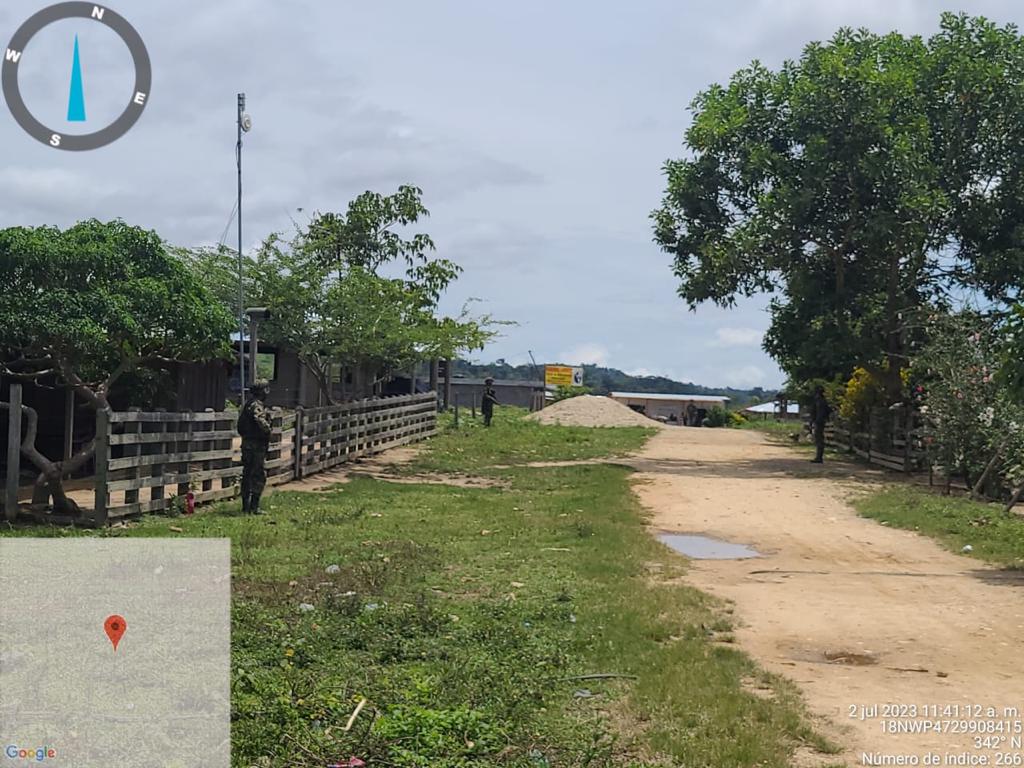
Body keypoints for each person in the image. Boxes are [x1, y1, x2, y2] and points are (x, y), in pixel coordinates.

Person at [238, 379, 272, 514]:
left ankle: (246, 506)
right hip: (256, 445)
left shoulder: (248, 404)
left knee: (247, 474)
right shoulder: (256, 405)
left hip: (247, 444)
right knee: (258, 475)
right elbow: (258, 419)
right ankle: (254, 507)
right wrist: (267, 430)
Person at [810, 386, 831, 464]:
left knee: (819, 439)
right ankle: (819, 456)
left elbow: (813, 412)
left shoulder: (818, 401)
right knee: (819, 439)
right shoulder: (823, 401)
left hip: (819, 422)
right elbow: (828, 410)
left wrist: (813, 420)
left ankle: (819, 457)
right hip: (820, 421)